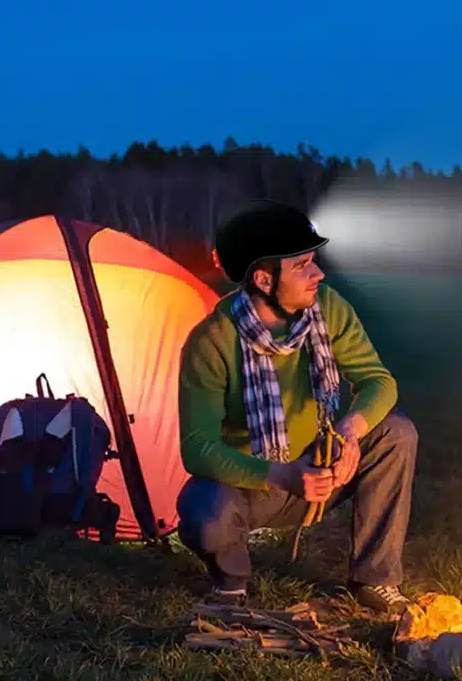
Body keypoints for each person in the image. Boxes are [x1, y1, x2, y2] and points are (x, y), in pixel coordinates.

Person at [176, 199, 418, 615]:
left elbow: (379, 382)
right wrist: (280, 474)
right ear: (264, 279)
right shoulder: (212, 340)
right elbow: (197, 447)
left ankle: (375, 581)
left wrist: (351, 430)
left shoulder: (328, 309)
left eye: (314, 261)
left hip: (322, 465)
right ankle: (231, 583)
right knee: (202, 509)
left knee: (397, 433)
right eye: (303, 265)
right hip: (256, 484)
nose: (318, 274)